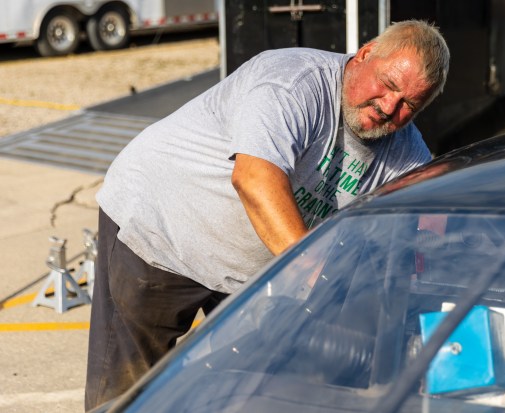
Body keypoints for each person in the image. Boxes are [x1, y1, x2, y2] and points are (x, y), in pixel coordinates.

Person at [85, 18, 450, 410]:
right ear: (364, 54)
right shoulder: (293, 81)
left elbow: (429, 227)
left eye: (410, 104)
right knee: (130, 389)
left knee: (249, 388)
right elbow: (256, 178)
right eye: (389, 85)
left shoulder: (405, 152)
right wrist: (317, 277)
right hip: (161, 226)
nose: (389, 107)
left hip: (249, 270)